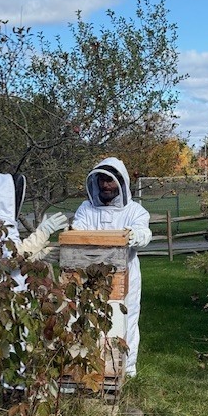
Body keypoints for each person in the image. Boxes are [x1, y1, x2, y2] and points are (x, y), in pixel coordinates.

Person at [0, 171, 68, 385]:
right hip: (1, 302)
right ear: (3, 198)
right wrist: (43, 233)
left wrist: (41, 254)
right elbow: (11, 261)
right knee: (3, 345)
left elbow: (11, 258)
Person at [71, 157, 151, 377]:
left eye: (110, 180)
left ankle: (128, 369)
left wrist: (133, 236)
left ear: (121, 182)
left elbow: (144, 233)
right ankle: (93, 368)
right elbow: (78, 232)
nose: (106, 185)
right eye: (102, 180)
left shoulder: (135, 211)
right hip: (90, 275)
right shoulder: (86, 209)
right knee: (90, 318)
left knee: (127, 318)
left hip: (126, 274)